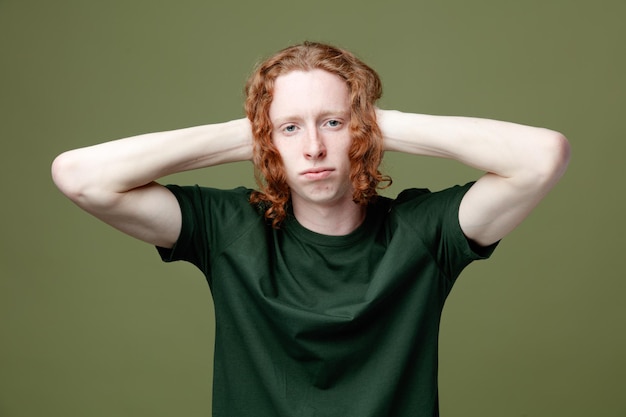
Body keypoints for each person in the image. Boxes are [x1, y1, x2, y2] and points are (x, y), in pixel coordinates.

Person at [51, 41, 570, 417]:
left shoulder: (420, 234)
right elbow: (80, 176)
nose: (314, 148)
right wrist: (259, 130)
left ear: (362, 132)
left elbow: (542, 156)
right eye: (290, 128)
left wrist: (372, 122)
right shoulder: (231, 230)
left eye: (334, 123)